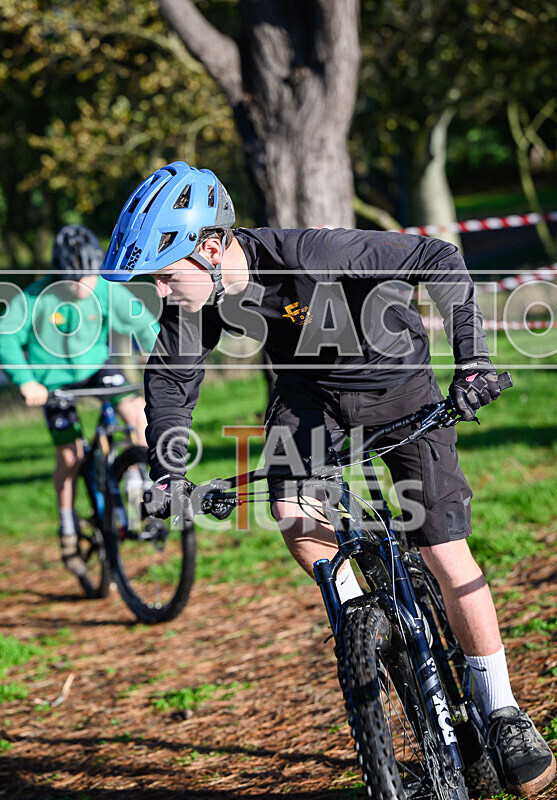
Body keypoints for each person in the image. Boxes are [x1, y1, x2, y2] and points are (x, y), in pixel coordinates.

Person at [101, 161, 555, 797]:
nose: (161, 290)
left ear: (208, 248)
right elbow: (172, 382)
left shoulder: (314, 254)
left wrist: (473, 361)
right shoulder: (198, 301)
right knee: (292, 508)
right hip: (311, 398)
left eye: (164, 275)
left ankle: (502, 711)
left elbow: (438, 258)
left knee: (443, 551)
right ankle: (362, 629)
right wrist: (169, 474)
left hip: (401, 391)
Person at [0, 225, 159, 577]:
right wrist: (26, 382)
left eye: (89, 275)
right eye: (75, 279)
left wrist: (158, 356)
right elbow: (6, 336)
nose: (84, 285)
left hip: (95, 367)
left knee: (135, 409)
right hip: (51, 380)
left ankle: (141, 484)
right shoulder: (35, 298)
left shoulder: (105, 289)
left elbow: (144, 324)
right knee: (70, 455)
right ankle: (68, 527)